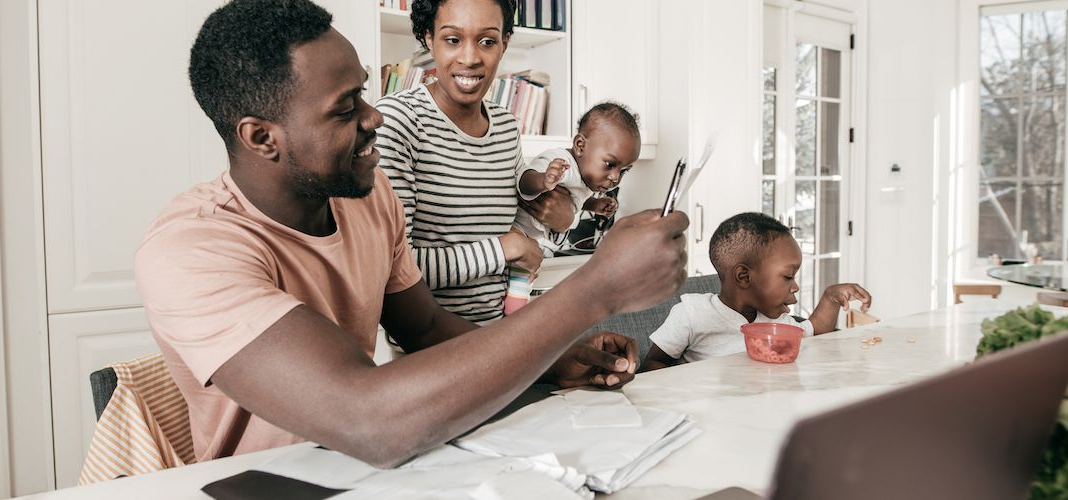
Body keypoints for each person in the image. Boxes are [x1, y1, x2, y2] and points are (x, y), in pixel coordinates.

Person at [134, 0, 690, 468]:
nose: (374, 117)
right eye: (344, 108)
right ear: (261, 138)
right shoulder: (190, 251)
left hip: (377, 471)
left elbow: (424, 326)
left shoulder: (370, 201)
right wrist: (596, 289)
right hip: (274, 481)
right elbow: (366, 419)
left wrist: (556, 358)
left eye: (364, 94)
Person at [376, 0, 579, 324]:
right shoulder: (399, 120)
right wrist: (504, 249)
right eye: (453, 39)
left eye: (486, 41)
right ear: (428, 38)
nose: (470, 58)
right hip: (430, 351)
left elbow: (527, 230)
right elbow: (395, 269)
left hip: (504, 335)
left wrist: (563, 220)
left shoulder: (506, 125)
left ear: (505, 42)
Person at [644, 212, 870, 370]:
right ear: (744, 277)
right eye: (787, 277)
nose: (795, 287)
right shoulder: (692, 313)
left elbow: (816, 331)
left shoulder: (778, 323)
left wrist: (830, 298)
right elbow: (653, 364)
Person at [514, 102, 641, 257]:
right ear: (580, 146)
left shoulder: (584, 181)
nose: (615, 177)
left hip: (531, 243)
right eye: (609, 164)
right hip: (514, 233)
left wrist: (594, 205)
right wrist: (542, 180)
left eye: (624, 170)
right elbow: (523, 182)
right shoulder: (561, 163)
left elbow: (576, 201)